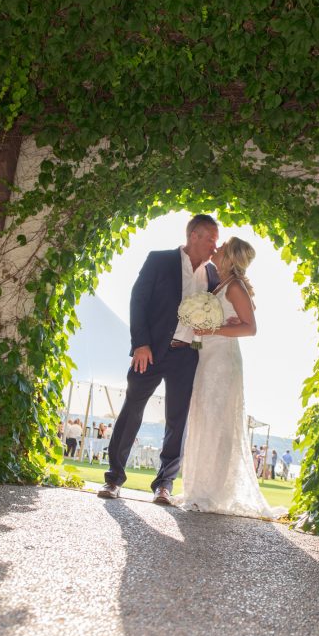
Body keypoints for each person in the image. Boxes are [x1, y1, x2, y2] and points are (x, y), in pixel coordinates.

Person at [98, 214, 220, 504]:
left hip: (187, 355)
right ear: (194, 236)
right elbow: (138, 300)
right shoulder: (159, 260)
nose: (214, 246)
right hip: (150, 352)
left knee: (178, 420)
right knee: (131, 411)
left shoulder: (213, 274)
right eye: (211, 239)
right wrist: (140, 344)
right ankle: (113, 479)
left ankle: (164, 484)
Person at [181, 238, 285, 519]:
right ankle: (198, 489)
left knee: (218, 423)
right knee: (205, 418)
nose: (216, 248)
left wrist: (211, 330)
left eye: (222, 247)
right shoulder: (222, 284)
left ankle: (212, 493)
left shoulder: (235, 286)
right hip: (207, 358)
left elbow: (250, 328)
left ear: (230, 256)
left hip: (222, 361)